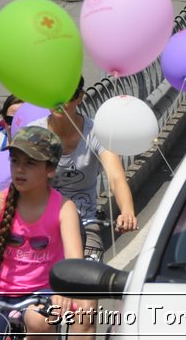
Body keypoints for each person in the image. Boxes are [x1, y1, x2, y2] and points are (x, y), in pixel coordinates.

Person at [0, 125, 85, 336]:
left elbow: (74, 262)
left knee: (51, 318)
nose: (19, 169)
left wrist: (63, 291)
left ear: (50, 169)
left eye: (30, 163)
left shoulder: (64, 207)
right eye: (15, 161)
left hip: (43, 292)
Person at [48, 79, 137, 259]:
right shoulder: (34, 131)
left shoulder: (97, 132)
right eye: (54, 95)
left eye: (69, 95)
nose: (61, 102)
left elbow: (116, 178)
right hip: (42, 217)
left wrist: (127, 211)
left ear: (80, 97)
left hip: (85, 219)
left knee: (87, 274)